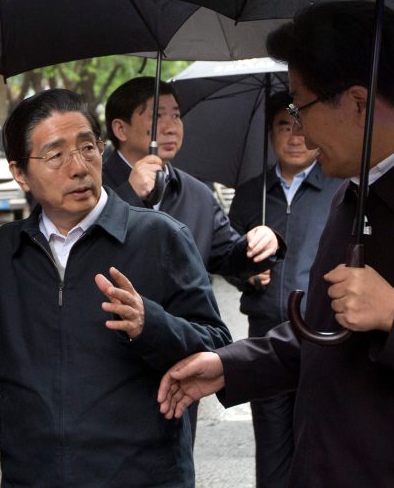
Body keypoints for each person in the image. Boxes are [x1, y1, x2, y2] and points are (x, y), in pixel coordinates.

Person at [158, 0, 394, 487]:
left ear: (358, 102)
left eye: (301, 107)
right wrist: (229, 366)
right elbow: (321, 334)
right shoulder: (350, 194)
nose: (298, 129)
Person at [0, 88, 231, 486]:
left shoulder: (160, 237)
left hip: (143, 477)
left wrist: (150, 324)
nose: (79, 167)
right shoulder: (0, 253)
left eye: (87, 148)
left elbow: (216, 346)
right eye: (55, 155)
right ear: (20, 172)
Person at [102, 77, 284, 439]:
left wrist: (263, 243)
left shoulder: (197, 194)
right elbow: (80, 248)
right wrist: (128, 195)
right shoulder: (94, 186)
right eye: (157, 116)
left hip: (178, 354)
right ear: (120, 129)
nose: (171, 126)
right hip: (110, 357)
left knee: (174, 455)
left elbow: (228, 256)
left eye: (176, 115)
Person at [225, 90, 343, 487]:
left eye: (299, 125)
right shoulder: (251, 193)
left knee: (319, 449)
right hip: (264, 337)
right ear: (270, 134)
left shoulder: (341, 189)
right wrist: (246, 276)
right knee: (272, 453)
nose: (293, 137)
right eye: (282, 127)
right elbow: (227, 256)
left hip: (320, 338)